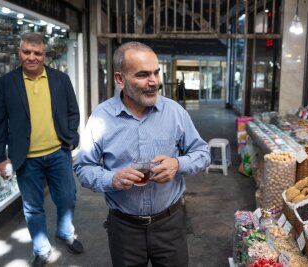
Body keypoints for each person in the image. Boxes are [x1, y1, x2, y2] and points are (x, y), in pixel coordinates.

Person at [73, 41, 210, 266]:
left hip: (170, 224)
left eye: (156, 73)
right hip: (124, 228)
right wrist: (112, 179)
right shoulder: (101, 117)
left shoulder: (175, 112)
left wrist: (177, 163)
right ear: (120, 80)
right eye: (143, 75)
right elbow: (82, 167)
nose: (154, 81)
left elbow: (202, 153)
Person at [0, 32, 83, 267]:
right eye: (26, 52)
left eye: (37, 53)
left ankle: (65, 232)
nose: (32, 57)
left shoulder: (60, 79)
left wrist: (71, 137)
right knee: (32, 208)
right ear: (19, 53)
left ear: (44, 55)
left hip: (58, 153)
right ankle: (41, 249)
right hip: (26, 159)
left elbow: (73, 112)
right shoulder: (6, 83)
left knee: (67, 198)